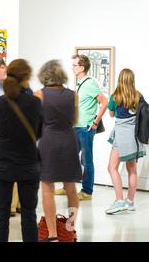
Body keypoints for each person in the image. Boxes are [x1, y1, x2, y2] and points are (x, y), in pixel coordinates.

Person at [0, 59, 43, 242]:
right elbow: (40, 132)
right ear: (26, 78)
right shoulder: (35, 103)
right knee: (29, 214)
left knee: (1, 215)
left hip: (3, 164)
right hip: (28, 163)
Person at [34, 60, 82, 242]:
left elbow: (37, 122)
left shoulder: (39, 94)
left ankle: (53, 234)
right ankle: (71, 229)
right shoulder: (73, 95)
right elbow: (74, 119)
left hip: (48, 141)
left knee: (47, 189)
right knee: (71, 188)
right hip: (69, 141)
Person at [56, 55, 108, 200]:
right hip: (75, 127)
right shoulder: (79, 83)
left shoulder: (90, 83)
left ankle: (87, 191)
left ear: (82, 67)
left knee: (86, 160)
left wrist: (96, 122)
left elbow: (104, 102)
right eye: (72, 65)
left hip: (85, 129)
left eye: (75, 65)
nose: (72, 67)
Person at [105, 69, 146, 214]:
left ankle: (119, 201)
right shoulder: (138, 96)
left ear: (120, 79)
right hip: (134, 137)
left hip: (121, 135)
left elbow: (111, 114)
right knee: (132, 170)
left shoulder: (115, 96)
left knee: (112, 167)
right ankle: (130, 202)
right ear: (132, 80)